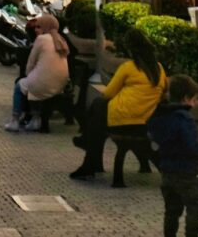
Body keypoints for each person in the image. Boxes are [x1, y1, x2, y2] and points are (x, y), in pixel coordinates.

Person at [70, 22, 165, 181]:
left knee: (98, 106)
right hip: (145, 119)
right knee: (98, 111)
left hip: (122, 118)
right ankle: (87, 144)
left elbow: (108, 93)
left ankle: (88, 152)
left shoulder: (129, 67)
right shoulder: (159, 69)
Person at [146, 72, 198, 237]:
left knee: (171, 209)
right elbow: (191, 146)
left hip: (166, 168)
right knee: (193, 207)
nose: (195, 104)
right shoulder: (184, 118)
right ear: (187, 98)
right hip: (185, 171)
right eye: (194, 99)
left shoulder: (161, 114)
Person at [8, 9, 69, 130]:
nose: (36, 30)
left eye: (39, 27)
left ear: (46, 27)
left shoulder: (41, 39)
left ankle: (15, 120)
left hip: (45, 83)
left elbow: (31, 63)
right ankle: (35, 119)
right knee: (32, 84)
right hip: (61, 83)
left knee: (21, 86)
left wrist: (28, 75)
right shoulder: (60, 40)